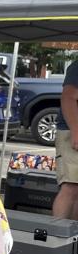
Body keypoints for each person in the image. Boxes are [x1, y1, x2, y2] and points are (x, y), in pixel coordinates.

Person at [52, 60, 78, 219]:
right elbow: (68, 97)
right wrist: (76, 131)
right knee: (71, 186)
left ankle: (72, 238)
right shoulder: (77, 67)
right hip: (71, 130)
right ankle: (58, 237)